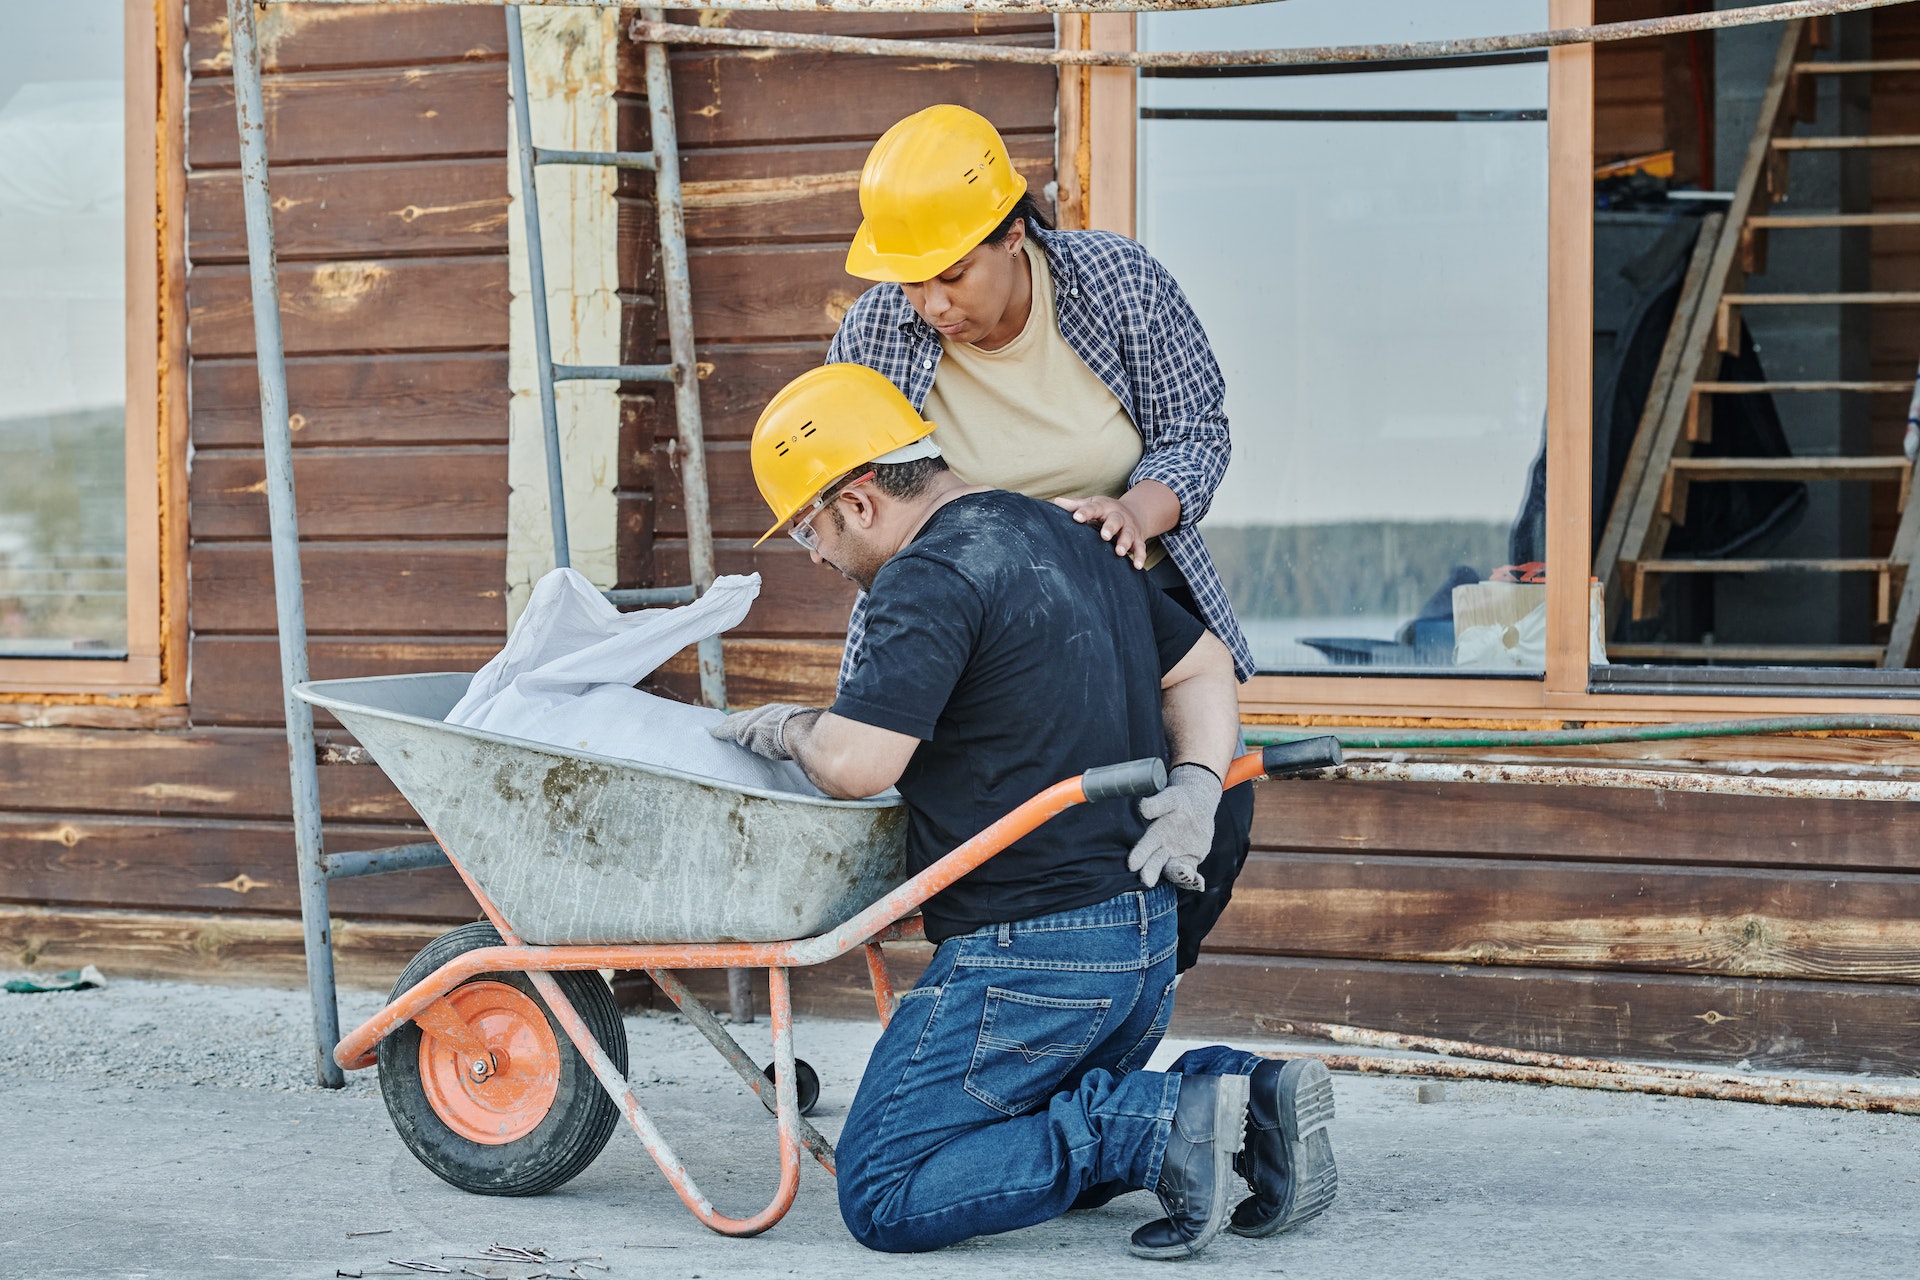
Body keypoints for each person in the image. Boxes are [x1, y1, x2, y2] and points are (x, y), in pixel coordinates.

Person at [711, 364, 1336, 1258]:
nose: (812, 553)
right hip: (1141, 949)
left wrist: (788, 726)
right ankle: (1248, 1100)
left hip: (1034, 961)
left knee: (885, 1188)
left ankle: (1159, 1121)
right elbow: (1202, 665)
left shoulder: (926, 575)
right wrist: (1198, 784)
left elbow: (857, 764)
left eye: (808, 527)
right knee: (1020, 1132)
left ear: (857, 501)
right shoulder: (1071, 528)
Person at [829, 105, 1255, 974]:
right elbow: (856, 494)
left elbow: (1198, 431)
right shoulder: (877, 331)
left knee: (1204, 833)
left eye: (951, 275)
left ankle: (1123, 1009)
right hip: (976, 617)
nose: (931, 305)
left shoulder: (1119, 284)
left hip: (1128, 590)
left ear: (1014, 234)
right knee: (1002, 840)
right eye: (910, 283)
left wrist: (1139, 509)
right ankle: (1021, 1015)